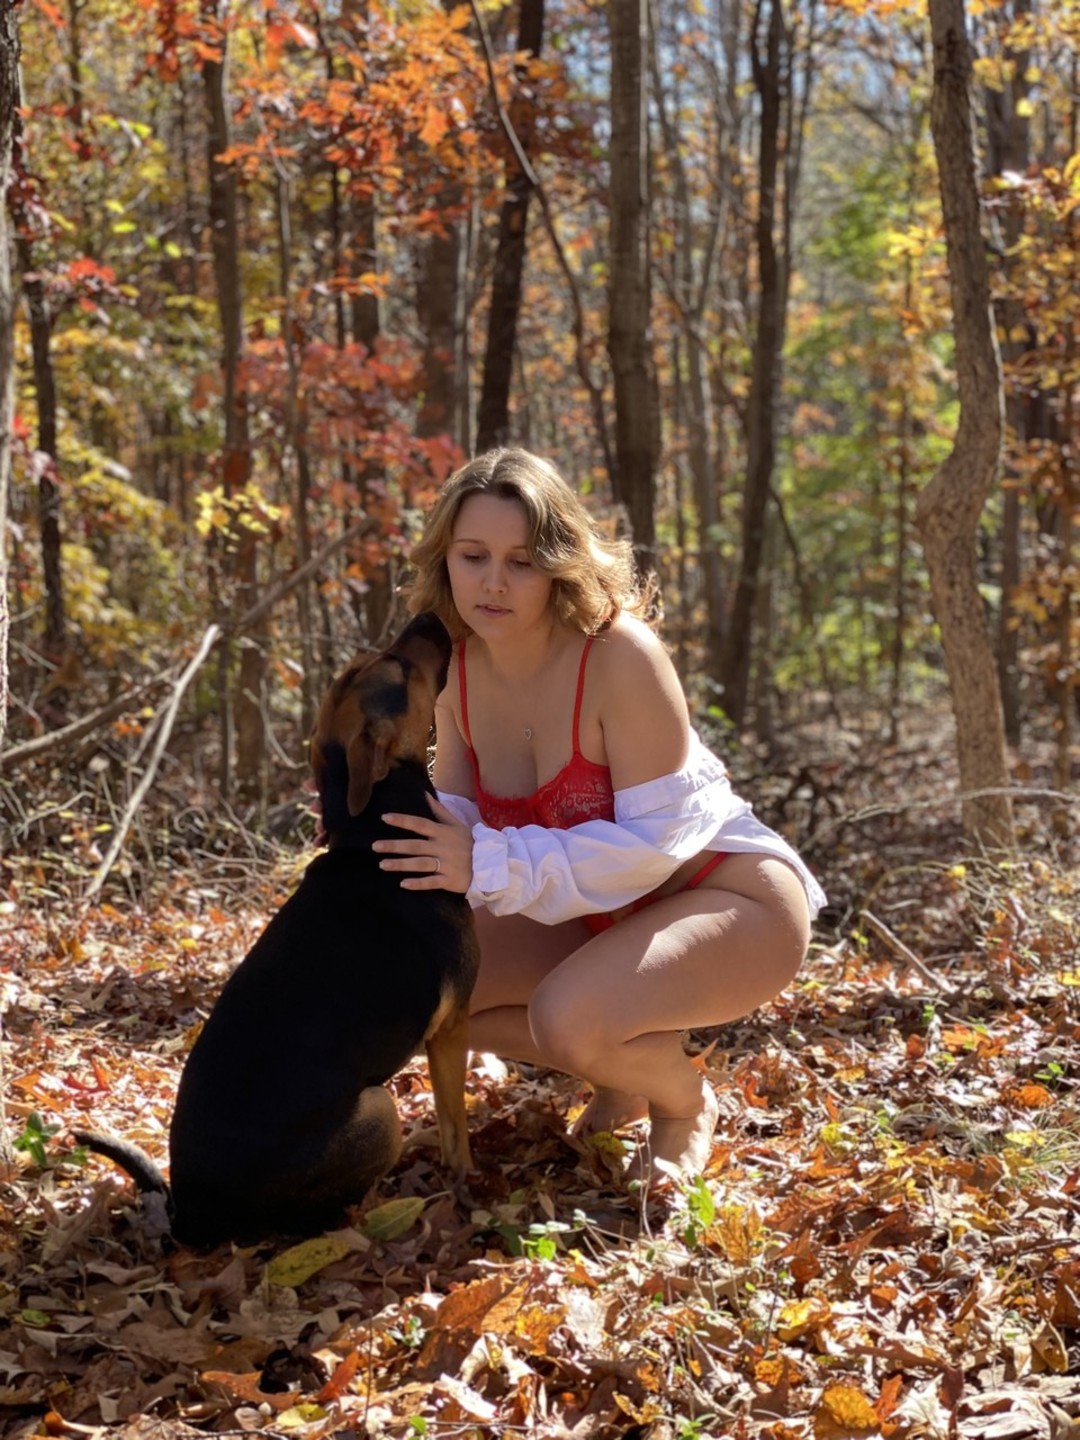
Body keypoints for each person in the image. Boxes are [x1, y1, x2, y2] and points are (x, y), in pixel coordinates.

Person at [371, 448, 826, 1186]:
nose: (493, 582)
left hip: (727, 900)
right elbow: (454, 814)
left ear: (558, 563)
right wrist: (373, 835)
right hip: (593, 913)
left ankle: (681, 1103)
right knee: (425, 989)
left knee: (566, 1019)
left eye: (521, 562)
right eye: (473, 556)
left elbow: (651, 849)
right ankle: (620, 1070)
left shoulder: (618, 655)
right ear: (444, 558)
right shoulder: (456, 662)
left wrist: (484, 861)